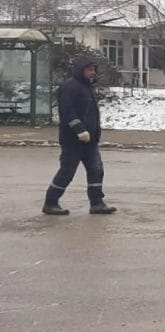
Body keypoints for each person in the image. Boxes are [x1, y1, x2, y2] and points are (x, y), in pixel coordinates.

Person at [42, 55, 116, 216]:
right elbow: (67, 111)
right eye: (89, 70)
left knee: (96, 170)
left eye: (94, 70)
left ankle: (96, 203)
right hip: (73, 140)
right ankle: (50, 202)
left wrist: (94, 133)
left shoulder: (87, 87)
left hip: (90, 140)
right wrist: (80, 130)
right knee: (67, 172)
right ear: (80, 70)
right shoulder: (70, 87)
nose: (92, 73)